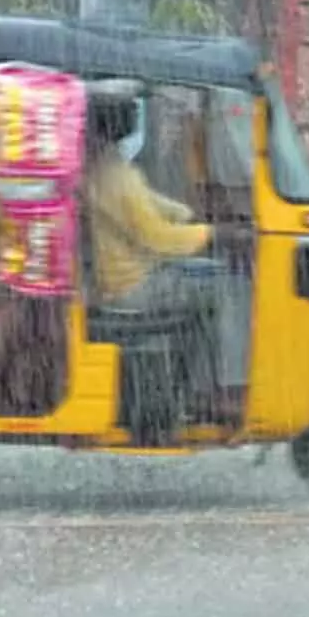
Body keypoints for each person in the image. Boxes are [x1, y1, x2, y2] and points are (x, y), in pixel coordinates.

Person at [83, 92, 251, 420]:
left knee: (207, 276)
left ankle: (203, 384)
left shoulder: (109, 169)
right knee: (229, 285)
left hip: (132, 279)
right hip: (133, 288)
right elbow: (158, 238)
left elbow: (153, 205)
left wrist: (193, 216)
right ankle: (228, 388)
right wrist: (215, 234)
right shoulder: (115, 177)